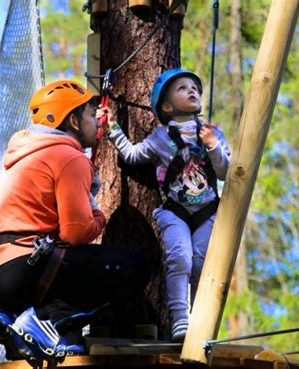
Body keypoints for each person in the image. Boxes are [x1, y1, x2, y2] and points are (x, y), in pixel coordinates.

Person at [0, 80, 150, 360]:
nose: (97, 122)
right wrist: (99, 216)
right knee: (136, 268)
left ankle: (20, 324)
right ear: (74, 121)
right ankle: (44, 319)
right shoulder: (69, 157)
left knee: (70, 300)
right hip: (23, 269)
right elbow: (76, 233)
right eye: (92, 115)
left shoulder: (27, 155)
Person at [98, 68, 230, 342]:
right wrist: (112, 129)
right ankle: (181, 319)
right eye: (182, 88)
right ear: (167, 106)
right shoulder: (160, 139)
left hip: (207, 211)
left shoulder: (212, 134)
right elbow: (133, 155)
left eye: (195, 87)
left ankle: (202, 323)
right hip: (174, 211)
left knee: (201, 265)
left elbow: (225, 172)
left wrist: (213, 146)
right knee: (179, 258)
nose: (192, 90)